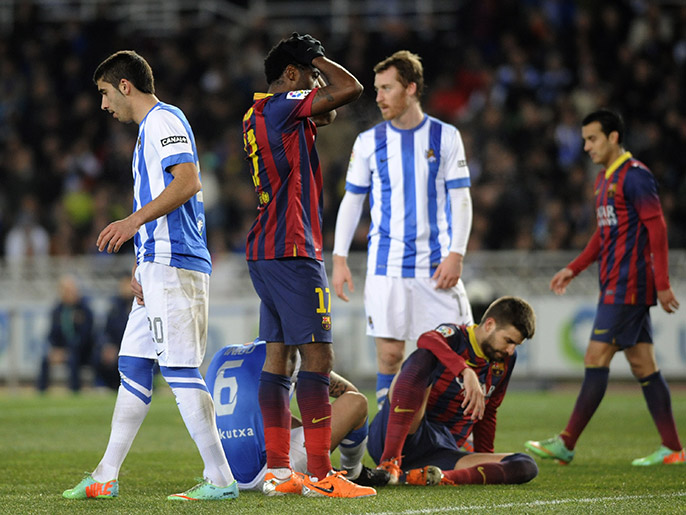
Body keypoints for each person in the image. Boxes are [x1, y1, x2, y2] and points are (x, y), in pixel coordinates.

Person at [63, 50, 238, 502]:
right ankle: (106, 474)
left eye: (104, 93)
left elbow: (188, 181)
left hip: (175, 264)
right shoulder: (149, 131)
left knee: (179, 369)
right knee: (134, 366)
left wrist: (131, 222)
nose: (103, 105)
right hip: (157, 266)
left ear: (125, 86)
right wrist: (142, 263)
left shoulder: (163, 120)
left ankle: (220, 478)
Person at [242, 33, 374, 499]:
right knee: (319, 359)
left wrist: (310, 73)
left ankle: (280, 472)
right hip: (293, 249)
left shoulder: (258, 114)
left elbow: (331, 107)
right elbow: (352, 88)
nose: (321, 86)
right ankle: (320, 475)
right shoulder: (283, 106)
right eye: (312, 78)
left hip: (264, 251)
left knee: (279, 358)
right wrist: (315, 57)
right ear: (294, 77)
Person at [525, 109, 684, 467]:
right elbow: (604, 233)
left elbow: (657, 230)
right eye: (584, 139)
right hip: (614, 282)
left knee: (595, 357)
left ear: (614, 137)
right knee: (644, 365)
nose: (586, 146)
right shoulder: (603, 180)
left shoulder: (636, 177)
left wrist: (662, 284)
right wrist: (574, 268)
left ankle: (566, 442)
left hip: (629, 285)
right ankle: (673, 448)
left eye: (592, 138)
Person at [332, 50, 474, 410]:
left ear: (411, 88)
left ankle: (452, 442)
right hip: (386, 268)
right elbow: (352, 201)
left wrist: (457, 253)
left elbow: (461, 198)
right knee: (390, 357)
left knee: (453, 356)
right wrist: (339, 258)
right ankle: (389, 445)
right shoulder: (368, 142)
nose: (377, 97)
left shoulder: (445, 136)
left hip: (436, 267)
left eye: (386, 88)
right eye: (377, 89)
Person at [369, 296, 539, 486]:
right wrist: (465, 370)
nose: (510, 350)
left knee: (525, 465)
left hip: (440, 451)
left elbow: (488, 411)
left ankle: (436, 477)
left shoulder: (505, 360)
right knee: (423, 357)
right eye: (508, 341)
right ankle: (389, 463)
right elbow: (427, 339)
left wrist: (484, 459)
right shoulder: (457, 336)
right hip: (403, 432)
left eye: (515, 345)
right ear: (490, 325)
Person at [205, 339, 391, 489]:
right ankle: (353, 472)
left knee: (273, 417)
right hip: (268, 472)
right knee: (356, 402)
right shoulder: (283, 353)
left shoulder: (222, 354)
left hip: (225, 473)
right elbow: (349, 392)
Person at [37, 274, 95, 393]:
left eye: (72, 290)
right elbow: (52, 333)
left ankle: (74, 390)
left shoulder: (85, 310)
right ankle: (41, 391)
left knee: (73, 359)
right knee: (45, 359)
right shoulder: (57, 310)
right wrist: (55, 350)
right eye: (66, 290)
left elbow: (86, 336)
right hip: (61, 350)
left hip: (82, 351)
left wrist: (68, 350)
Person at [93, 274, 135, 390]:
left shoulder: (142, 304)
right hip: (117, 346)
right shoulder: (115, 307)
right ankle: (105, 385)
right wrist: (108, 346)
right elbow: (106, 331)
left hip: (137, 347)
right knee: (99, 355)